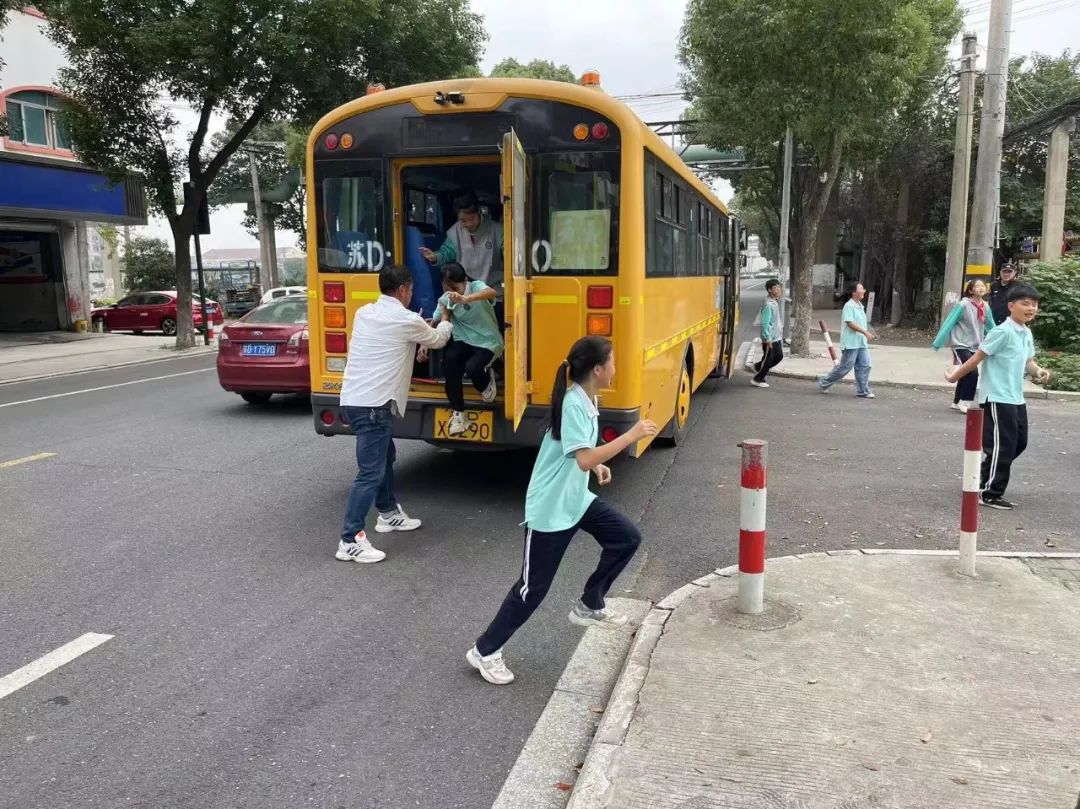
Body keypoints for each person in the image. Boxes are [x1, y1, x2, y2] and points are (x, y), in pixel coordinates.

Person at [466, 336, 658, 685]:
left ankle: (589, 602)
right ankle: (484, 650)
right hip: (551, 509)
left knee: (626, 538)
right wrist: (631, 436)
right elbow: (583, 457)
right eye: (612, 363)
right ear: (598, 369)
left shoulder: (586, 399)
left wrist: (598, 465)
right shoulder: (573, 403)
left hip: (575, 500)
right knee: (531, 589)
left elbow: (579, 452)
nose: (616, 369)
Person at [336, 265, 454, 563]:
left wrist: (421, 326)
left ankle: (387, 512)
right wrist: (447, 320)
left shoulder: (366, 313)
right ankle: (350, 539)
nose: (411, 294)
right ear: (402, 289)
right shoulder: (405, 318)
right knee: (370, 472)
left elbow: (401, 335)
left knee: (386, 456)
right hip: (374, 405)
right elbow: (437, 339)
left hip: (355, 399)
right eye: (411, 290)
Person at [946, 283, 1051, 510]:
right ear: (1011, 306)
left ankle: (983, 477)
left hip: (1016, 398)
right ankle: (989, 492)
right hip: (996, 397)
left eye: (1034, 305)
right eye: (1025, 304)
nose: (1030, 308)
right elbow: (976, 359)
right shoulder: (1001, 332)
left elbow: (1028, 361)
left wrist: (1039, 371)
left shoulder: (1026, 332)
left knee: (1018, 443)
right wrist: (954, 376)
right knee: (1002, 447)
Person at [419, 263, 504, 437]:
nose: (451, 292)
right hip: (463, 339)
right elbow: (434, 321)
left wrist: (466, 299)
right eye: (446, 288)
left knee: (473, 368)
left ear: (465, 280)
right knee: (450, 361)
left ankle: (487, 382)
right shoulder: (445, 299)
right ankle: (458, 414)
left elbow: (492, 293)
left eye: (454, 287)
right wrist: (424, 344)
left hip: (487, 340)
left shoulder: (476, 286)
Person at [419, 192, 504, 301]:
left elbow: (509, 253)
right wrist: (434, 257)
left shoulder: (498, 230)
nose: (468, 224)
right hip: (467, 291)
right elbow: (447, 252)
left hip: (495, 291)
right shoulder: (454, 232)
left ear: (479, 212)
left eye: (472, 219)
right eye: (463, 221)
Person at [932, 279, 995, 413]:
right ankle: (965, 401)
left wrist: (999, 339)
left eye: (982, 286)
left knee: (965, 371)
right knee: (972, 372)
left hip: (976, 344)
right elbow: (949, 322)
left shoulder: (986, 306)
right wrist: (939, 342)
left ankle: (956, 402)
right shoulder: (963, 305)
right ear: (971, 290)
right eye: (977, 286)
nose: (981, 288)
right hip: (960, 344)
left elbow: (990, 325)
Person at [817, 282, 876, 398]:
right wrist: (865, 332)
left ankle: (863, 391)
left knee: (865, 365)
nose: (864, 291)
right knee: (845, 367)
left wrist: (868, 333)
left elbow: (861, 323)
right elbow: (850, 324)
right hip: (851, 343)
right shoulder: (849, 306)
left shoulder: (860, 305)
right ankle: (824, 382)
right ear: (854, 292)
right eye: (861, 289)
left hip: (861, 342)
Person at [750, 278, 784, 388]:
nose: (778, 290)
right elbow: (765, 324)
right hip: (770, 338)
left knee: (779, 356)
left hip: (776, 336)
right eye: (776, 288)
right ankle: (758, 379)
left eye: (779, 287)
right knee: (768, 359)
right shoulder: (768, 305)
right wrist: (767, 338)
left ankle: (758, 367)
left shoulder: (774, 302)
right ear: (769, 290)